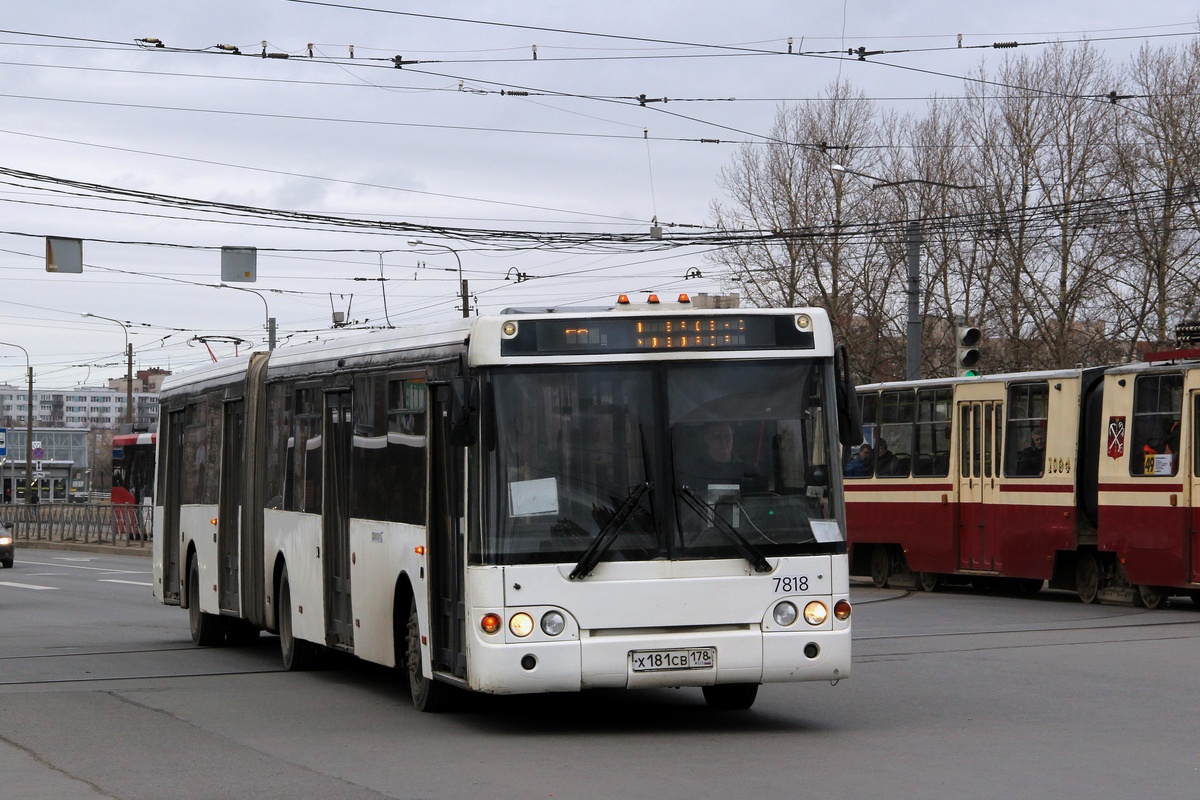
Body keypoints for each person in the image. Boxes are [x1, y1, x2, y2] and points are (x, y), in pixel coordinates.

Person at [686, 422, 765, 493]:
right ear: (707, 439)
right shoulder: (696, 471)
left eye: (727, 436)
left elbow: (762, 501)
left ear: (732, 436)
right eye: (717, 437)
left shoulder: (750, 469)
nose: (723, 441)